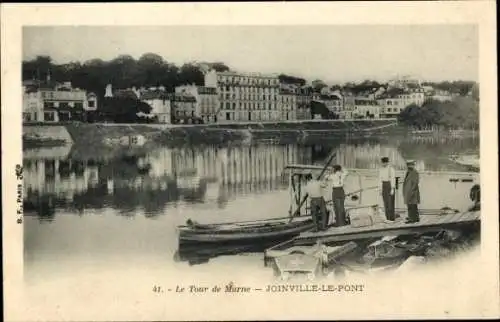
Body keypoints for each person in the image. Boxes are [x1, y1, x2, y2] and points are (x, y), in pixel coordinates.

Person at [379, 157, 396, 221]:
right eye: (383, 163)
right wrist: (380, 189)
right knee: (385, 203)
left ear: (387, 162)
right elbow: (380, 180)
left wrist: (392, 189)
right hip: (384, 185)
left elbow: (393, 179)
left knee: (390, 203)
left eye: (385, 163)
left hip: (389, 185)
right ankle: (387, 217)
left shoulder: (391, 169)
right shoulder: (381, 169)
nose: (383, 164)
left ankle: (391, 218)